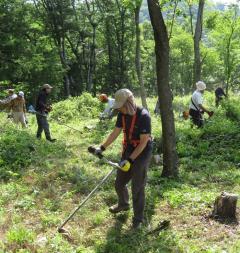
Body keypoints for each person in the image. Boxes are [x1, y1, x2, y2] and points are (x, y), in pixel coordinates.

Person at [93, 89, 152, 229]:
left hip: (142, 151)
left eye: (122, 106)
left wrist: (130, 160)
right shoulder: (122, 115)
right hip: (129, 149)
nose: (120, 109)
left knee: (137, 186)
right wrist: (102, 147)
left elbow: (144, 142)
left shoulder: (144, 116)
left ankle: (138, 219)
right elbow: (115, 133)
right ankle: (123, 204)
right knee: (119, 182)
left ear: (129, 103)